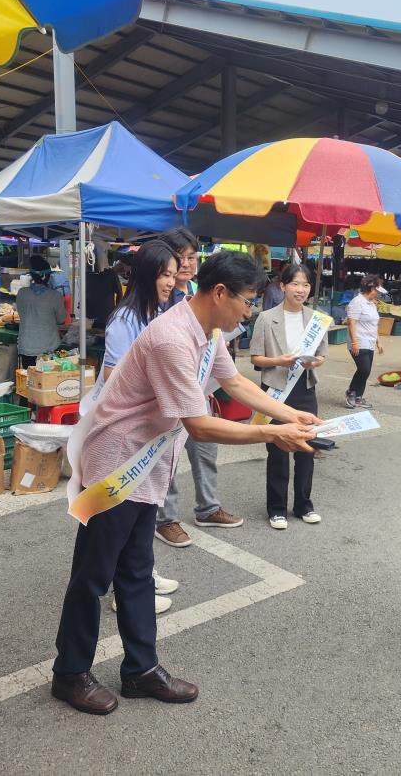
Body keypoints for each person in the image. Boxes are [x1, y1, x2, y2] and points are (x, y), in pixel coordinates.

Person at [52, 251, 320, 715]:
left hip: (147, 465)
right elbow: (199, 425)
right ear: (220, 293)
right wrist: (272, 433)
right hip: (118, 466)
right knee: (93, 577)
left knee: (136, 571)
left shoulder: (206, 329)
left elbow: (234, 382)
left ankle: (140, 669)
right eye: (248, 300)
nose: (249, 310)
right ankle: (70, 673)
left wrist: (288, 412)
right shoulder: (172, 338)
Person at [81, 242, 183, 614]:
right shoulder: (125, 319)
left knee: (140, 515)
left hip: (145, 426)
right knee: (120, 516)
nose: (171, 281)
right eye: (165, 273)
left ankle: (143, 579)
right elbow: (113, 373)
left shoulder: (157, 312)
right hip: (121, 429)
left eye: (174, 273)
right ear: (145, 273)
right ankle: (127, 590)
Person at [154, 228, 245, 548]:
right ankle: (166, 518)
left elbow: (233, 377)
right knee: (168, 457)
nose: (186, 264)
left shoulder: (199, 294)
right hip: (167, 399)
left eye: (192, 258)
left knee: (204, 451)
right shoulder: (159, 301)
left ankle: (208, 507)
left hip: (201, 387)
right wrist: (274, 432)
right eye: (180, 259)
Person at [249, 263, 328, 530]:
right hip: (274, 390)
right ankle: (277, 508)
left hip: (305, 389)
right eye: (295, 284)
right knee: (278, 449)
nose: (301, 289)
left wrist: (315, 362)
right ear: (282, 286)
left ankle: (304, 504)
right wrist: (279, 361)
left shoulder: (317, 319)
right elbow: (256, 358)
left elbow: (322, 355)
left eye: (306, 284)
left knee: (307, 448)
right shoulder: (265, 317)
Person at [15, 255, 67, 368]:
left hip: (27, 347)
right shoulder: (55, 296)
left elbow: (21, 314)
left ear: (32, 275)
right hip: (48, 347)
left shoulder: (22, 293)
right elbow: (62, 320)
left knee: (29, 381)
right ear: (48, 276)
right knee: (47, 382)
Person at [345, 274, 387, 409]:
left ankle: (358, 396)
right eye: (377, 290)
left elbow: (374, 325)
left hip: (370, 342)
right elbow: (351, 323)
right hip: (359, 341)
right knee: (364, 369)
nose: (378, 293)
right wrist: (354, 342)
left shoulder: (372, 305)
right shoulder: (357, 302)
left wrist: (378, 342)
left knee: (366, 371)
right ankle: (351, 392)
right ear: (371, 289)